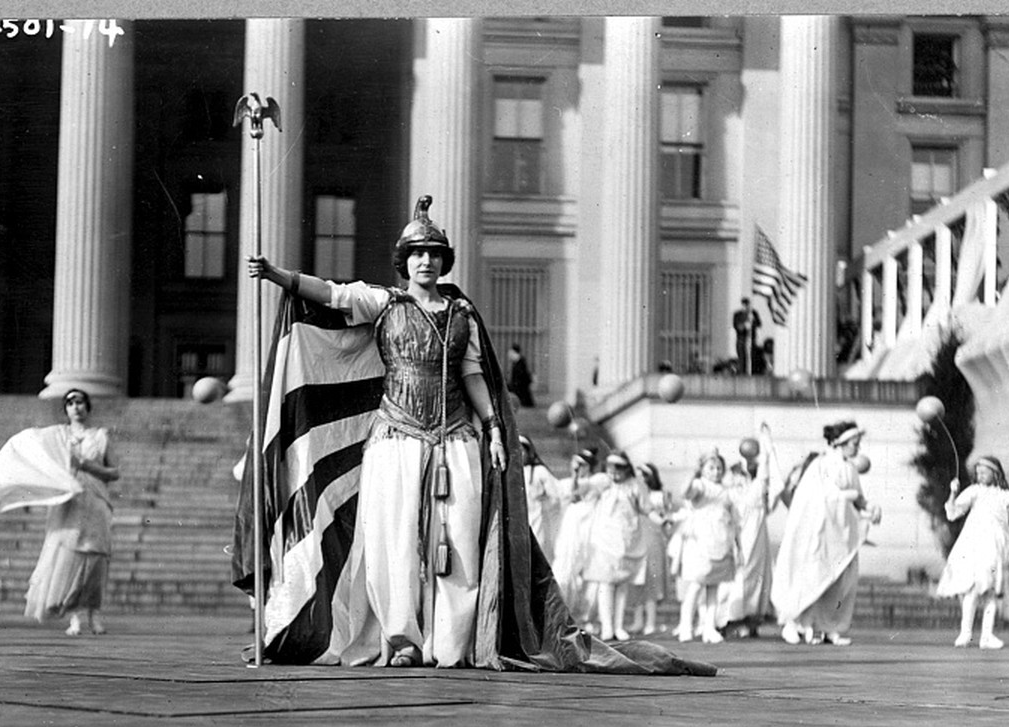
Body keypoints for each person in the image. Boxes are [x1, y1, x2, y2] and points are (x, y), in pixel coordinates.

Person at [239, 195, 712, 675]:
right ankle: (402, 639)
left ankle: (453, 641)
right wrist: (278, 274)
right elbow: (332, 294)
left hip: (456, 440)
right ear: (404, 262)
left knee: (459, 543)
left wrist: (491, 429)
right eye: (418, 253)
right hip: (396, 439)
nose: (427, 260)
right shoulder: (384, 302)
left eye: (434, 253)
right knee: (395, 542)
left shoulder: (462, 314)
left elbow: (473, 377)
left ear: (445, 261)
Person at [0, 388, 120, 635]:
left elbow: (114, 472)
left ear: (88, 406)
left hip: (95, 500)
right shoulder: (58, 437)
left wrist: (85, 465)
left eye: (81, 401)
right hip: (69, 501)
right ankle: (74, 617)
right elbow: (30, 447)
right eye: (71, 402)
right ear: (65, 409)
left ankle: (94, 614)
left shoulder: (101, 436)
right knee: (69, 557)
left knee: (95, 558)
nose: (76, 407)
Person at [770, 420, 879, 646]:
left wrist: (870, 509)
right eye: (854, 443)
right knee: (811, 578)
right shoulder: (822, 464)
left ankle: (829, 628)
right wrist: (844, 496)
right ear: (840, 443)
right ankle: (794, 623)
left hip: (843, 536)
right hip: (820, 534)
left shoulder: (850, 468)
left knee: (840, 584)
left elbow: (859, 499)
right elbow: (814, 498)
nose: (857, 448)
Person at [937, 455, 1009, 650]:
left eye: (984, 472)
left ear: (995, 473)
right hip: (976, 544)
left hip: (998, 544)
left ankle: (987, 635)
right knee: (973, 588)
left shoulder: (1006, 496)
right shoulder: (975, 491)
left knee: (992, 590)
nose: (980, 475)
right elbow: (953, 512)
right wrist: (953, 493)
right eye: (978, 473)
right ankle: (965, 633)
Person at [673, 450, 740, 644]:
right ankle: (686, 625)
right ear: (702, 469)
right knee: (695, 585)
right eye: (711, 467)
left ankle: (709, 627)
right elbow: (685, 492)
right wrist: (693, 475)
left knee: (714, 588)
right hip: (701, 541)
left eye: (719, 468)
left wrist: (738, 547)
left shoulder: (726, 492)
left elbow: (734, 521)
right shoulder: (699, 485)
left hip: (721, 540)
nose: (716, 471)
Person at [583, 452, 649, 642]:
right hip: (605, 540)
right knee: (606, 583)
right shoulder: (603, 483)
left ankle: (618, 626)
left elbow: (646, 507)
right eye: (611, 468)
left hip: (628, 539)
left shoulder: (635, 486)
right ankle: (607, 626)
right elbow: (584, 490)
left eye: (619, 468)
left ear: (627, 469)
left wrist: (661, 518)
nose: (614, 472)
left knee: (621, 584)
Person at [717, 425, 774, 637]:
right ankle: (727, 618)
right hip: (740, 534)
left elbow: (766, 471)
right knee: (738, 575)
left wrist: (766, 441)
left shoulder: (758, 486)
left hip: (757, 536)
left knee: (757, 576)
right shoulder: (732, 491)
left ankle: (752, 620)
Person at [550, 446, 607, 630]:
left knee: (588, 576)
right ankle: (563, 615)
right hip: (570, 532)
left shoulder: (598, 480)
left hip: (591, 532)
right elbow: (566, 493)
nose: (578, 468)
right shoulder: (566, 483)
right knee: (564, 571)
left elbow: (581, 487)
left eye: (583, 464)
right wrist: (574, 476)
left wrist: (577, 477)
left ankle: (586, 618)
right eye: (576, 464)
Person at [630, 462, 671, 637]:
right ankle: (638, 620)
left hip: (654, 539)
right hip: (637, 538)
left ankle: (651, 622)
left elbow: (665, 518)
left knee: (653, 580)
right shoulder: (633, 493)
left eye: (644, 475)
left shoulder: (660, 495)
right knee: (637, 580)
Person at [518, 435, 564, 561]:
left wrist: (544, 501)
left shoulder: (539, 471)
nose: (519, 454)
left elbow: (555, 496)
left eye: (522, 451)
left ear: (529, 452)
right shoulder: (514, 474)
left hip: (538, 519)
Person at [733, 298, 761, 374]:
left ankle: (751, 373)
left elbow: (759, 324)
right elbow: (736, 326)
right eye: (744, 305)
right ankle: (742, 373)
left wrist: (753, 320)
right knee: (742, 358)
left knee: (751, 357)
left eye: (747, 305)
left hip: (751, 339)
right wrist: (745, 324)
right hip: (741, 339)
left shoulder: (753, 313)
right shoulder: (737, 315)